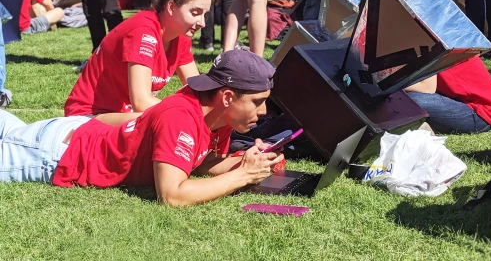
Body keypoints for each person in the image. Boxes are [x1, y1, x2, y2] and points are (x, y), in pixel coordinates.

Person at [0, 49, 284, 206]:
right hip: (53, 154)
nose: (263, 112)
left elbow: (199, 162)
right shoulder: (182, 117)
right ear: (227, 97)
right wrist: (241, 177)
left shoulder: (216, 113)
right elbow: (173, 195)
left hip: (73, 134)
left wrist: (246, 162)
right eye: (258, 102)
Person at [64, 0, 208, 122]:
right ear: (171, 7)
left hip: (126, 117)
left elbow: (198, 92)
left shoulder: (180, 36)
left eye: (204, 14)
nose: (202, 23)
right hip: (87, 118)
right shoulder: (144, 31)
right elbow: (141, 102)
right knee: (165, 122)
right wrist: (188, 115)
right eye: (196, 13)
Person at [405, 57, 491, 134]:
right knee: (401, 98)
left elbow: (427, 88)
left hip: (479, 115)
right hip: (456, 101)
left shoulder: (429, 44)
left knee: (410, 100)